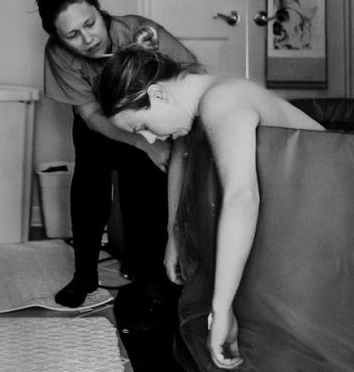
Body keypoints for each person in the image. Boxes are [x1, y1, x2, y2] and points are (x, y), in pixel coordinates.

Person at [98, 46, 325, 370]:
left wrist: (222, 310)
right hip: (299, 206)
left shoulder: (221, 102)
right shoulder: (196, 94)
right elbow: (181, 152)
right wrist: (174, 236)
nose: (149, 139)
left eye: (142, 126)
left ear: (158, 94)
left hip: (328, 202)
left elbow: (241, 196)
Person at [27, 0, 198, 308]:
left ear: (98, 9)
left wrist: (157, 137)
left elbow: (193, 74)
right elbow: (90, 115)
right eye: (72, 35)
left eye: (90, 24)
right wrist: (141, 143)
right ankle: (84, 274)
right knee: (88, 178)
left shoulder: (139, 32)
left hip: (148, 121)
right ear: (58, 38)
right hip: (101, 126)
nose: (87, 39)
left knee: (145, 185)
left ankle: (150, 276)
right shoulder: (58, 55)